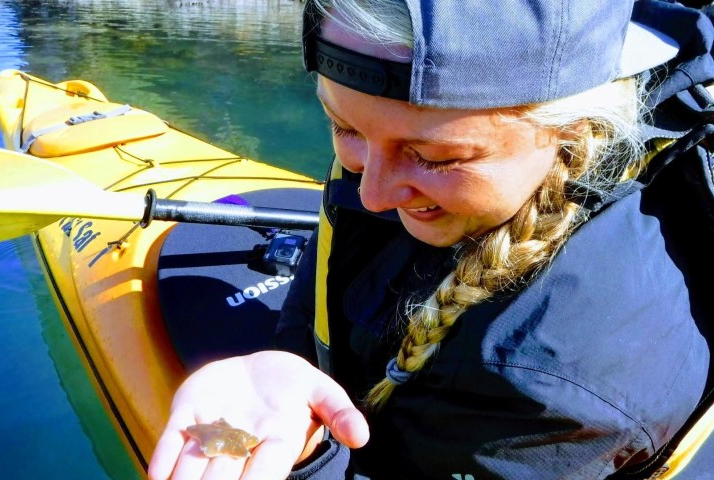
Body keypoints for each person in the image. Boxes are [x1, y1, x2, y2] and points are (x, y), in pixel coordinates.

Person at [148, 0, 714, 478]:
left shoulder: (555, 382)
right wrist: (295, 365)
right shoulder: (392, 140)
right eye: (343, 127)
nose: (372, 193)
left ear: (573, 131)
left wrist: (311, 457)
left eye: (435, 157)